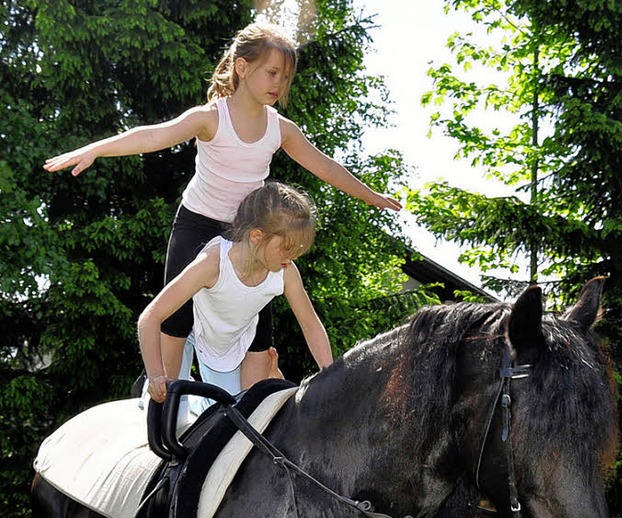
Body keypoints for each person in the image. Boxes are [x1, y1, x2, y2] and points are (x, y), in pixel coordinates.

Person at [44, 21, 401, 388]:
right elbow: (153, 135)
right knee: (177, 318)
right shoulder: (212, 118)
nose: (278, 83)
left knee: (260, 317)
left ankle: (249, 406)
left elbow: (324, 164)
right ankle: (166, 395)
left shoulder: (281, 129)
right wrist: (96, 149)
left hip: (248, 231)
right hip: (197, 223)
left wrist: (369, 195)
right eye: (272, 72)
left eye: (285, 76)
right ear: (243, 67)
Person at [138, 181, 332, 407]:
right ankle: (154, 395)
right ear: (257, 236)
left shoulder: (285, 271)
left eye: (297, 251)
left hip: (229, 347)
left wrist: (330, 374)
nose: (291, 258)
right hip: (193, 334)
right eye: (286, 248)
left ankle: (200, 404)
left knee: (236, 418)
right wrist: (155, 375)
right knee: (167, 415)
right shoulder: (214, 262)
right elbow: (149, 317)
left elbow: (310, 324)